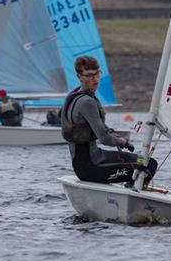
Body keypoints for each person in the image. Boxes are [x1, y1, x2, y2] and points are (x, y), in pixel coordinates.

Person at [61, 55, 157, 186]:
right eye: (89, 75)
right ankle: (133, 198)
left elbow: (102, 129)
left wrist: (118, 138)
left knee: (142, 160)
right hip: (91, 168)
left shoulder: (75, 96)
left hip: (92, 160)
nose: (94, 79)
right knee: (148, 165)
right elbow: (104, 138)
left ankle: (130, 192)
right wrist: (122, 141)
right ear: (79, 77)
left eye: (96, 74)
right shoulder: (87, 102)